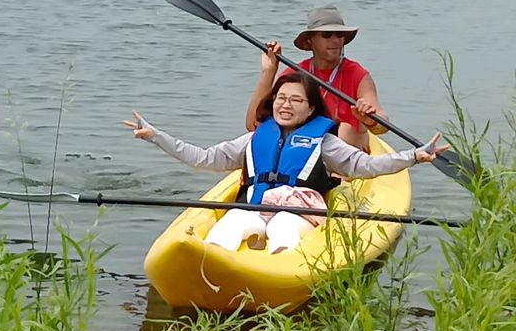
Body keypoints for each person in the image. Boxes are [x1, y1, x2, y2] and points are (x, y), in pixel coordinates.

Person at [124, 73, 447, 255]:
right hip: (254, 207)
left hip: (300, 212)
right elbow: (204, 159)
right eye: (280, 99)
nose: (285, 105)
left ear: (310, 110)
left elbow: (365, 166)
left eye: (295, 100)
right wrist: (156, 136)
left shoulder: (325, 141)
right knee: (232, 224)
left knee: (282, 228)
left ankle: (277, 273)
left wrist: (414, 156)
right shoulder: (253, 139)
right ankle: (211, 268)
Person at [245, 5, 387, 151]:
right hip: (306, 150)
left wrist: (370, 119)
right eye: (327, 34)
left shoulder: (358, 75)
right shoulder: (296, 74)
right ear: (310, 41)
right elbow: (253, 124)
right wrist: (269, 72)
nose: (335, 40)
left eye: (339, 35)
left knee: (344, 129)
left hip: (347, 153)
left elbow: (382, 123)